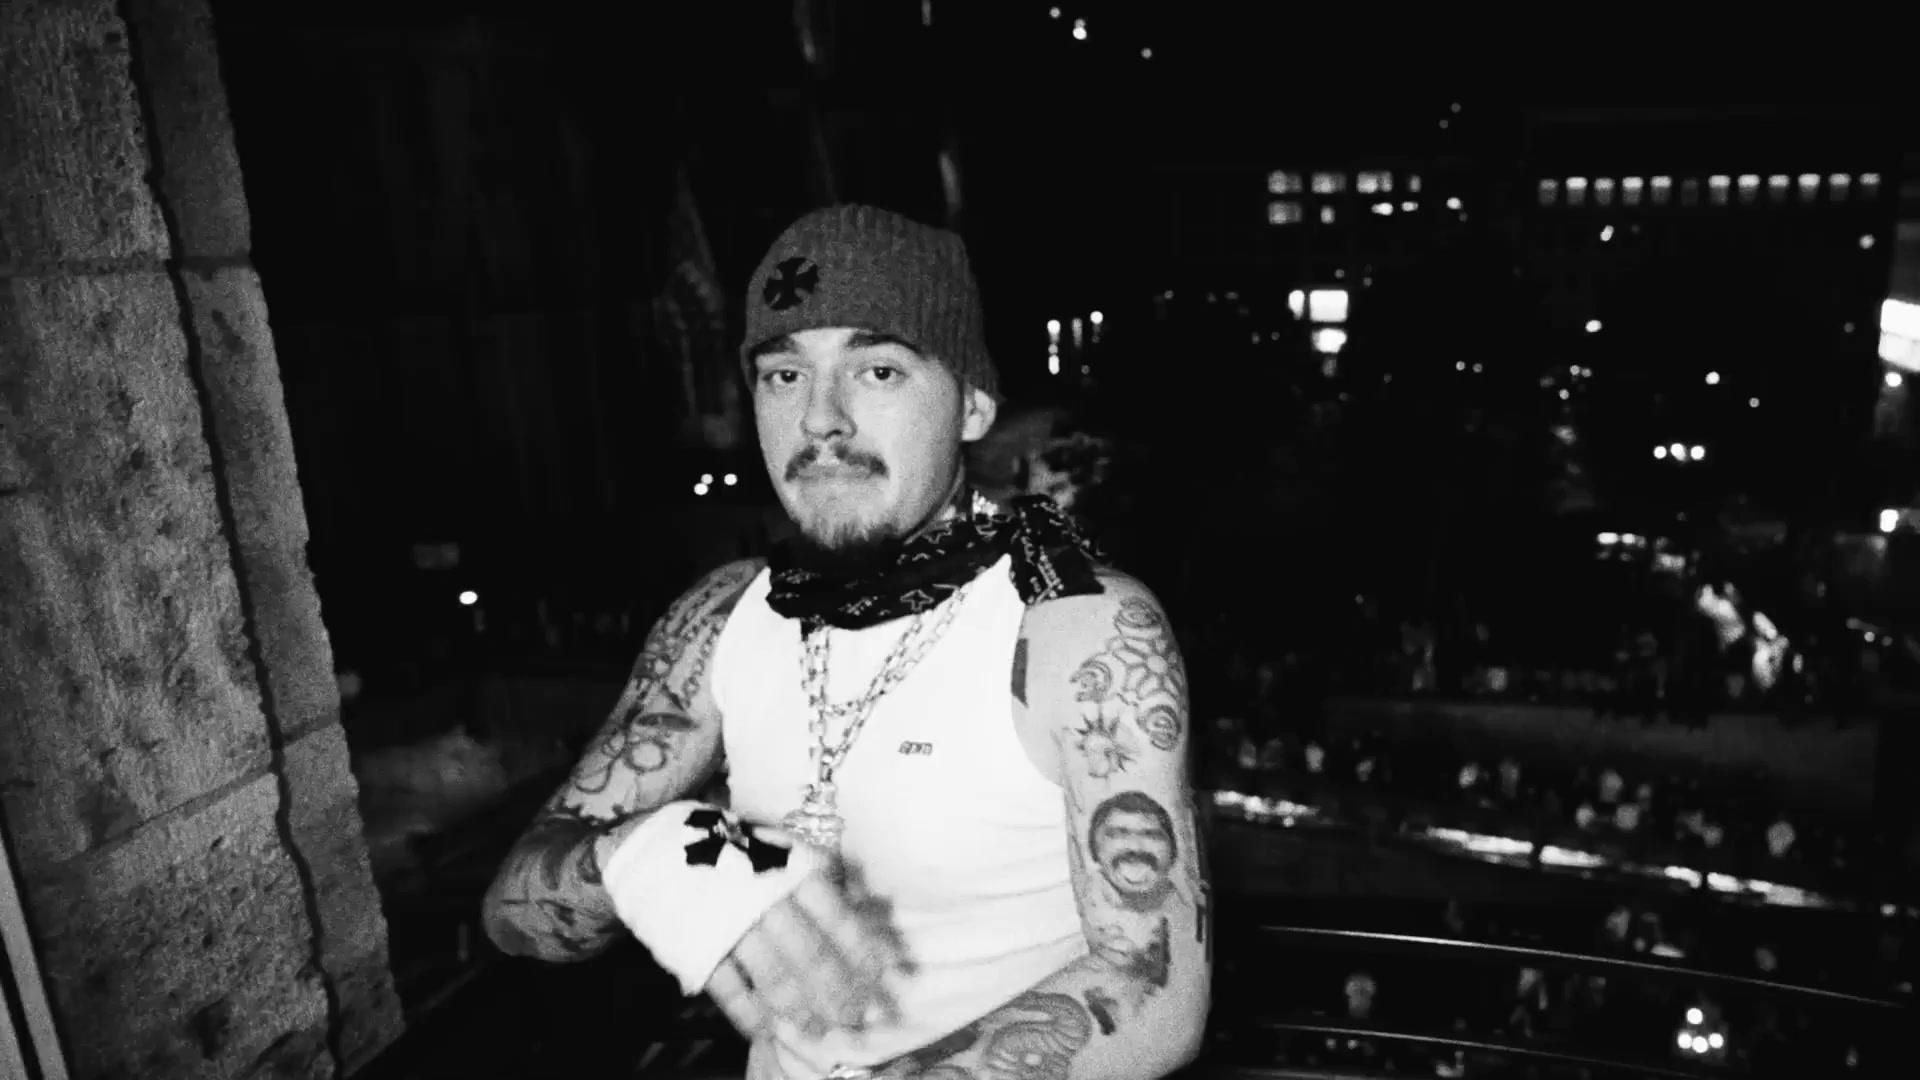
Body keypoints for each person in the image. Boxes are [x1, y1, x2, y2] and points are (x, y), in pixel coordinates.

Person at [482, 204, 1211, 1080]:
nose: (820, 420)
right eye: (785, 374)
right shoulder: (720, 617)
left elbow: (1154, 988)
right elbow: (513, 915)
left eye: (878, 370)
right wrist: (645, 853)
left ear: (973, 403)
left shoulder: (1077, 625)